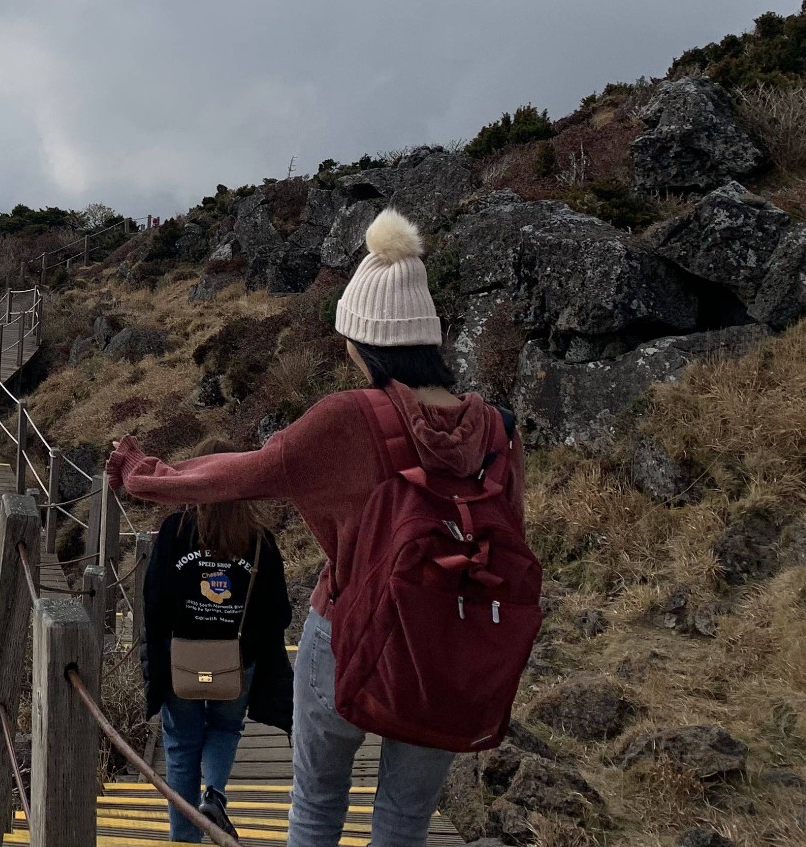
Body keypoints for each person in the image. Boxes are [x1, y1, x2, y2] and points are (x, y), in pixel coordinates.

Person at [107, 208, 529, 847]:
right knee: (405, 823)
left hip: (348, 635)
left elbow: (242, 473)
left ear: (362, 343)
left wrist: (143, 474)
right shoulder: (499, 430)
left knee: (317, 806)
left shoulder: (350, 418)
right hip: (451, 644)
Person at [141, 484, 293, 842]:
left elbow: (154, 600)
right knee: (225, 729)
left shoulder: (176, 531)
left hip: (182, 659)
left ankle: (184, 837)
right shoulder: (260, 542)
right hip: (238, 663)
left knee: (180, 745)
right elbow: (279, 613)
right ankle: (215, 795)